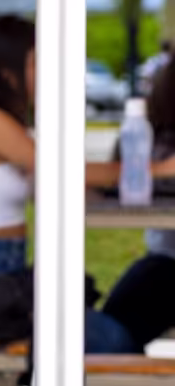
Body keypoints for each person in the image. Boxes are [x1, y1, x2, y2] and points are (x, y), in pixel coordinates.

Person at [0, 15, 175, 353]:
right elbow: (64, 171)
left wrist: (115, 195)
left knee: (113, 330)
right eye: (36, 61)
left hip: (6, 273)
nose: (46, 71)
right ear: (6, 69)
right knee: (114, 341)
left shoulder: (7, 124)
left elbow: (57, 186)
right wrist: (160, 168)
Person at [104, 60, 175, 350]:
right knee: (111, 332)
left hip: (163, 263)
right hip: (164, 265)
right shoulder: (150, 136)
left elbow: (108, 186)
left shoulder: (149, 136)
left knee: (112, 332)